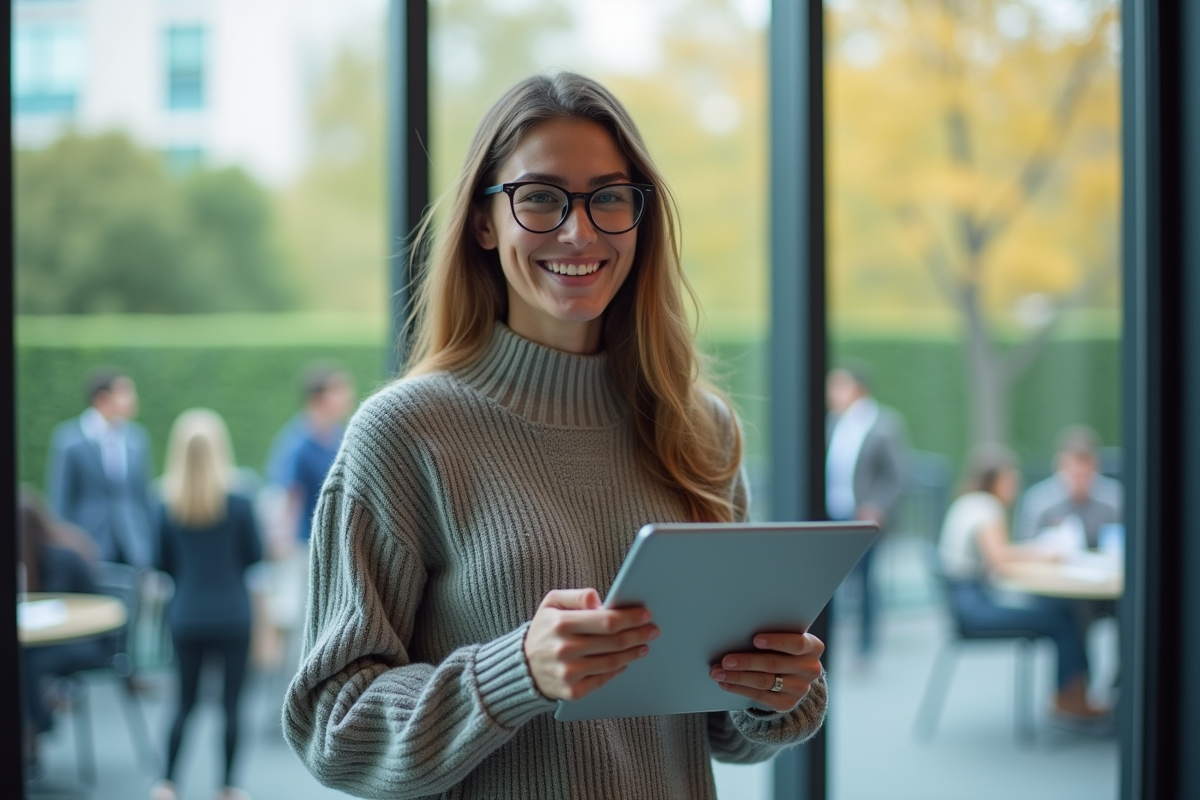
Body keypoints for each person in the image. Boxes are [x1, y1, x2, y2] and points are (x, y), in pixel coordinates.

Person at [282, 72, 828, 799]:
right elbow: (331, 724)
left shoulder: (700, 428)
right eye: (540, 197)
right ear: (484, 223)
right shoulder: (406, 433)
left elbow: (720, 733)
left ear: (639, 218)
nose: (580, 231)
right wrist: (517, 673)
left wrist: (773, 690)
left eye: (608, 197)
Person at [937, 445, 1109, 719]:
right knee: (1063, 618)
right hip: (975, 607)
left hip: (966, 601)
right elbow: (1000, 559)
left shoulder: (968, 502)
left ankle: (1073, 693)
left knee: (1061, 612)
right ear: (995, 481)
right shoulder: (985, 507)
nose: (1015, 485)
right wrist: (1048, 552)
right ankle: (1069, 697)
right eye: (1010, 479)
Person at [151, 409, 262, 800]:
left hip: (186, 616)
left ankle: (167, 783)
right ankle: (229, 787)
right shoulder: (241, 502)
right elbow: (255, 556)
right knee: (232, 706)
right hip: (234, 615)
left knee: (183, 704)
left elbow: (159, 564)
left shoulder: (164, 506)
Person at [18, 487, 110, 767]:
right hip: (51, 641)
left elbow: (56, 610)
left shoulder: (61, 559)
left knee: (26, 661)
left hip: (89, 641)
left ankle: (34, 729)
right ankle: (33, 727)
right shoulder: (35, 559)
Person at [825, 364, 908, 661]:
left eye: (838, 386)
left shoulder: (884, 424)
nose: (832, 394)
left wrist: (877, 507)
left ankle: (866, 646)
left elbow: (897, 475)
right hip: (832, 515)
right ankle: (825, 645)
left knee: (865, 583)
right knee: (828, 583)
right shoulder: (833, 422)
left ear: (858, 389)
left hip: (863, 518)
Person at [46, 368, 156, 569]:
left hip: (133, 547)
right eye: (124, 393)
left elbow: (143, 497)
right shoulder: (70, 440)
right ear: (102, 399)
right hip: (90, 547)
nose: (132, 399)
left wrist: (149, 544)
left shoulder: (137, 439)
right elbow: (61, 502)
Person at [1013, 424, 1122, 548]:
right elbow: (1024, 548)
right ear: (1060, 463)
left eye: (1087, 465)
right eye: (1076, 466)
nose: (1082, 471)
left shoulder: (1114, 497)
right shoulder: (1038, 501)